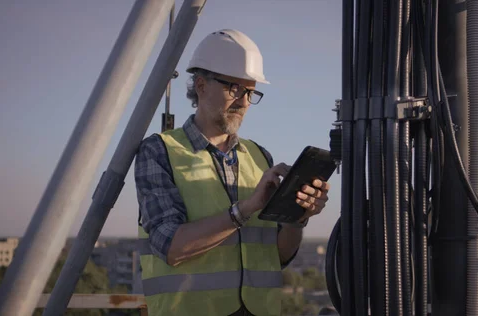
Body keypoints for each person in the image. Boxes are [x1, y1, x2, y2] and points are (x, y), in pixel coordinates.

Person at [134, 29, 331, 316]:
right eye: (234, 88)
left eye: (250, 92)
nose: (243, 101)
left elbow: (275, 257)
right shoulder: (160, 151)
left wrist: (297, 219)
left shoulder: (260, 157)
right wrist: (246, 208)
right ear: (201, 85)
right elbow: (171, 247)